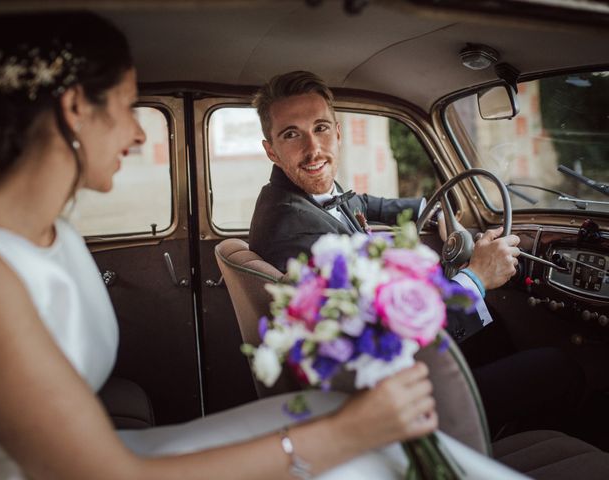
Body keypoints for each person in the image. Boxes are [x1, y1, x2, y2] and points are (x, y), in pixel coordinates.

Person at [0, 11, 459, 480]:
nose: (138, 132)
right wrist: (345, 433)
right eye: (125, 105)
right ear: (76, 108)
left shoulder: (60, 234)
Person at [248, 70, 584, 437]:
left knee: (493, 330)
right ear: (271, 150)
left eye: (321, 128)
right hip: (394, 397)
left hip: (398, 369)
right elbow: (381, 337)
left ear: (338, 132)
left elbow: (362, 202)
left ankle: (497, 440)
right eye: (291, 134)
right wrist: (475, 277)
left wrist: (437, 210)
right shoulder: (292, 226)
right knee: (559, 364)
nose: (313, 149)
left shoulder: (302, 196)